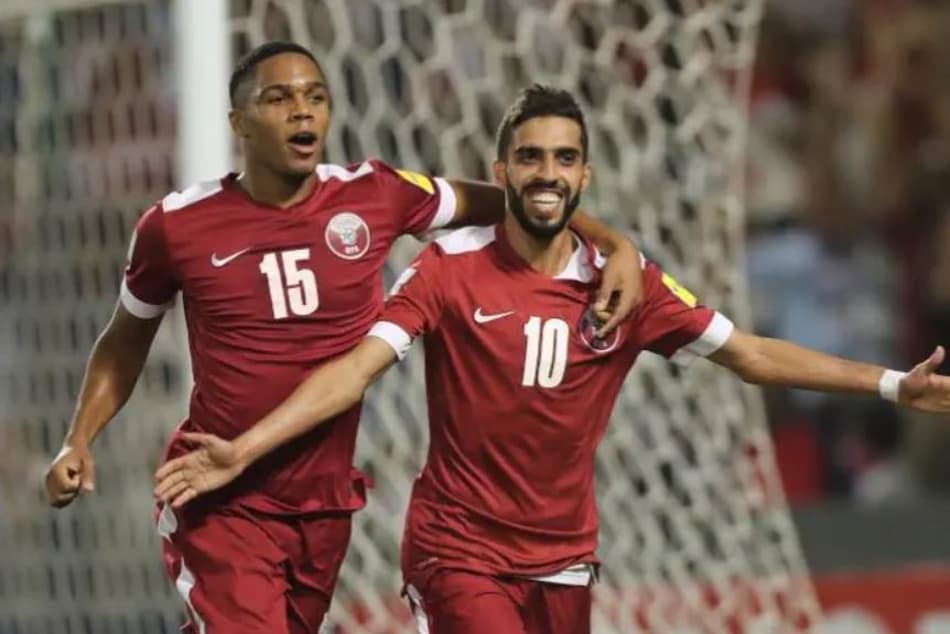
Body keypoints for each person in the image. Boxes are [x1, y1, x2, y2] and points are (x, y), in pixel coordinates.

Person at [153, 83, 950, 633]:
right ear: (502, 172)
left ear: (584, 176)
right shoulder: (448, 267)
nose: (547, 173)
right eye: (530, 158)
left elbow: (749, 354)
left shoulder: (625, 284)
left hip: (564, 559)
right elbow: (356, 368)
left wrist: (891, 383)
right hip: (458, 552)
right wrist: (245, 449)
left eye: (564, 159)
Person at [42, 43, 643, 634]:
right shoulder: (176, 225)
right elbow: (125, 339)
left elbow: (509, 200)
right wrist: (79, 439)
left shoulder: (374, 193)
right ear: (238, 122)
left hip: (322, 506)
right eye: (279, 98)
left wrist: (614, 245)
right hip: (222, 495)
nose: (302, 111)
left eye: (316, 97)